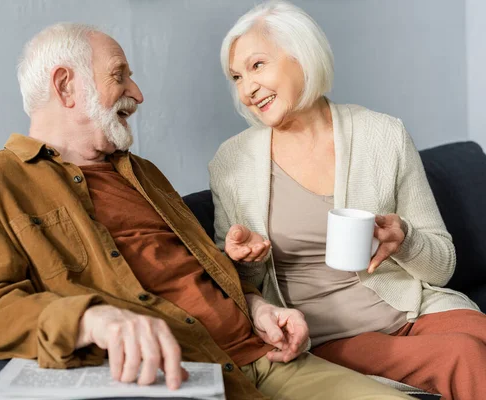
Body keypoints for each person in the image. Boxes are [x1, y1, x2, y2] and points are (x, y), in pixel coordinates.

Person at [0, 22, 413, 400]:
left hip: (266, 359)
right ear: (66, 86)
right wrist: (92, 319)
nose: (138, 93)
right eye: (119, 75)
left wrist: (256, 307)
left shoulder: (143, 173)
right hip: (185, 378)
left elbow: (199, 270)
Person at [208, 1, 486, 399]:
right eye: (235, 76)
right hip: (327, 338)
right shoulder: (231, 163)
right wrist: (243, 261)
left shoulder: (383, 135)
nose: (246, 89)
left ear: (301, 56)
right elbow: (237, 293)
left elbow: (441, 267)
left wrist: (404, 240)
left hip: (410, 308)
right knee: (462, 354)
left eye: (256, 66)